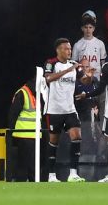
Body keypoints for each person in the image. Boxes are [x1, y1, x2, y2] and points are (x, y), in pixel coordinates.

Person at [42, 37, 89, 182]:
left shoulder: (75, 65)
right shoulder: (51, 63)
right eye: (66, 48)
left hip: (70, 109)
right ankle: (51, 175)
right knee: (53, 141)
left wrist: (89, 77)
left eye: (70, 48)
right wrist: (68, 70)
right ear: (58, 50)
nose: (69, 51)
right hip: (54, 110)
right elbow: (48, 78)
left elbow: (84, 80)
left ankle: (73, 174)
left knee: (77, 137)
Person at [6, 79, 38, 182]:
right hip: (23, 133)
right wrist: (11, 131)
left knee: (31, 164)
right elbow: (13, 113)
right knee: (24, 163)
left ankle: (31, 183)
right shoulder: (23, 93)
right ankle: (23, 183)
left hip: (34, 134)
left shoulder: (38, 93)